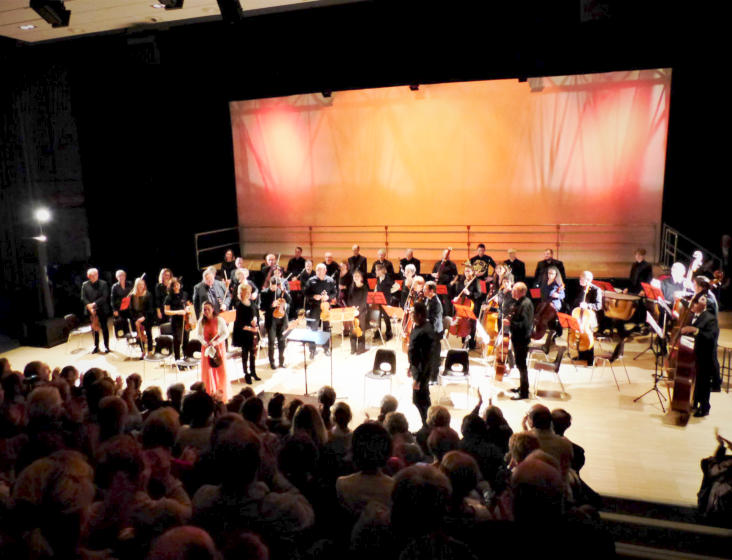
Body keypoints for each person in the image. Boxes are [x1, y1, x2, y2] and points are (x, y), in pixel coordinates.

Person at [680, 295, 719, 417]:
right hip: (696, 353)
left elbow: (710, 337)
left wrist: (695, 330)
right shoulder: (695, 314)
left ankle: (705, 407)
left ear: (703, 306)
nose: (692, 306)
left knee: (703, 382)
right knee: (697, 381)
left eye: (695, 304)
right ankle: (695, 402)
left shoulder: (710, 319)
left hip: (706, 355)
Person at [409, 301, 436, 426]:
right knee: (423, 398)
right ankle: (429, 423)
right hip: (418, 369)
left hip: (422, 371)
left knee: (419, 400)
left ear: (419, 315)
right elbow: (414, 353)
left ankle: (427, 425)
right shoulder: (420, 326)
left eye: (413, 313)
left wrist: (418, 379)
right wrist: (410, 366)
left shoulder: (425, 331)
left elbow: (424, 358)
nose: (411, 314)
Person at [197, 300, 231, 399]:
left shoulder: (219, 320)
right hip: (206, 348)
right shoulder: (201, 321)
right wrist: (205, 343)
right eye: (204, 309)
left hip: (218, 347)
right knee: (207, 372)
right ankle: (209, 393)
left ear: (212, 309)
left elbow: (225, 333)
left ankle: (222, 394)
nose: (206, 311)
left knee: (221, 370)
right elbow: (199, 334)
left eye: (208, 309)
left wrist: (216, 342)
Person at [305, 263, 337, 358]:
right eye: (318, 270)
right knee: (313, 328)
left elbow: (335, 293)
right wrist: (313, 296)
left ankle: (326, 348)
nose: (319, 271)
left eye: (321, 270)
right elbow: (306, 293)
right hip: (314, 307)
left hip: (326, 307)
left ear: (325, 271)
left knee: (326, 328)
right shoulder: (311, 280)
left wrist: (328, 296)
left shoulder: (330, 280)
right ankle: (312, 350)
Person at [508, 282, 533, 400]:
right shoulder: (520, 302)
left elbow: (525, 324)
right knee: (519, 364)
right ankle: (522, 387)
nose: (512, 292)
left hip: (522, 339)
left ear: (521, 292)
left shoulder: (526, 304)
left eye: (514, 290)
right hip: (517, 338)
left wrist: (510, 323)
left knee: (521, 365)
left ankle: (524, 393)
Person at [570, 270, 602, 363]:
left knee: (588, 337)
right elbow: (577, 301)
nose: (579, 280)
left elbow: (599, 306)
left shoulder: (596, 290)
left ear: (588, 280)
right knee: (579, 336)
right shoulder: (582, 288)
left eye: (581, 278)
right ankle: (581, 356)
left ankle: (590, 359)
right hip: (580, 317)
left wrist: (588, 306)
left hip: (589, 319)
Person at [260, 277, 290, 369]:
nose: (273, 288)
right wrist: (271, 305)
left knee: (282, 341)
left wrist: (283, 290)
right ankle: (272, 362)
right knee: (271, 342)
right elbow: (262, 307)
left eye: (275, 287)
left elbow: (289, 300)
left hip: (281, 319)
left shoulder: (281, 291)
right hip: (271, 320)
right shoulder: (264, 293)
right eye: (272, 286)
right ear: (269, 285)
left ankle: (281, 361)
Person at [233, 283, 260, 384]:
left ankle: (253, 372)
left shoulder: (251, 302)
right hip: (243, 333)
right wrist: (250, 328)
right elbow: (239, 324)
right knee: (245, 355)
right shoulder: (239, 305)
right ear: (242, 293)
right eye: (246, 292)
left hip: (252, 332)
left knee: (253, 354)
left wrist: (255, 320)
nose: (249, 294)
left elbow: (255, 314)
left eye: (249, 292)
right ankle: (246, 374)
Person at [81, 267, 111, 353]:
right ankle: (96, 346)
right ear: (88, 276)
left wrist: (94, 304)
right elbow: (83, 298)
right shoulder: (85, 285)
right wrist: (89, 306)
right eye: (92, 275)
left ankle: (106, 346)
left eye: (96, 274)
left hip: (102, 309)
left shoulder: (103, 284)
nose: (94, 276)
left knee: (104, 328)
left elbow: (104, 297)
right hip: (91, 310)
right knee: (94, 329)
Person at [452, 263, 482, 349]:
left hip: (472, 305)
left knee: (471, 324)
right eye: (465, 271)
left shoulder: (476, 281)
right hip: (462, 304)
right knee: (463, 323)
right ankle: (463, 341)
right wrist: (456, 297)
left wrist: (469, 293)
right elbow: (458, 291)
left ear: (472, 272)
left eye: (468, 271)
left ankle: (471, 343)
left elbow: (479, 294)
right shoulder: (462, 280)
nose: (466, 273)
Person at [164, 277, 190, 361]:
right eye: (174, 285)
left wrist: (187, 309)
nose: (176, 287)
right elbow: (166, 311)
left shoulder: (184, 294)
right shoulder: (169, 297)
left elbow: (188, 305)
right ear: (171, 287)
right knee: (177, 341)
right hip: (175, 321)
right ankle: (177, 359)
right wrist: (178, 312)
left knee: (186, 339)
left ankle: (186, 358)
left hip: (185, 320)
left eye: (178, 285)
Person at [129, 276, 155, 358]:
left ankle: (150, 351)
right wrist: (136, 319)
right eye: (139, 284)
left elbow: (150, 309)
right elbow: (131, 310)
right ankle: (142, 351)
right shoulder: (132, 296)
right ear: (136, 285)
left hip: (147, 317)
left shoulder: (148, 294)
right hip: (136, 319)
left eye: (142, 284)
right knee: (139, 335)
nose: (141, 286)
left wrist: (143, 317)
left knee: (148, 334)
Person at [423, 281, 444, 381]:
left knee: (434, 357)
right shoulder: (428, 299)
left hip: (435, 333)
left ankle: (434, 378)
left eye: (425, 289)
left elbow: (433, 321)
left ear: (431, 291)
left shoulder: (436, 303)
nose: (423, 290)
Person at [347, 270, 369, 354]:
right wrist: (352, 307)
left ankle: (361, 349)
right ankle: (353, 349)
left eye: (358, 276)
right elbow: (349, 299)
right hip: (352, 311)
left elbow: (364, 301)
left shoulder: (364, 287)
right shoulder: (351, 286)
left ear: (361, 278)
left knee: (360, 330)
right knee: (352, 330)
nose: (356, 278)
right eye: (354, 276)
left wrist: (358, 310)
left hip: (362, 311)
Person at [374, 263, 395, 341]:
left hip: (386, 300)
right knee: (377, 317)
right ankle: (378, 332)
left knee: (386, 317)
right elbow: (377, 287)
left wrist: (389, 292)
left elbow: (397, 286)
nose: (375, 272)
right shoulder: (378, 279)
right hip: (378, 300)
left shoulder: (388, 278)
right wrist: (375, 293)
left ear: (381, 271)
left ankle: (389, 333)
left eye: (376, 270)